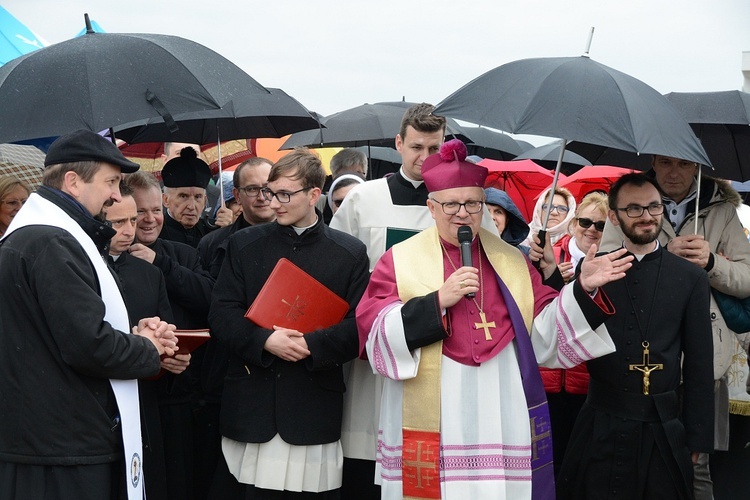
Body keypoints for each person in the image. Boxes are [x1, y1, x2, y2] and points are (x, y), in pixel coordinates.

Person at [357, 139, 633, 499]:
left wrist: (583, 288)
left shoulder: (512, 261)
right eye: (451, 204)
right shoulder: (400, 258)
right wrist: (438, 300)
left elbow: (546, 329)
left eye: (472, 203)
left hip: (499, 412)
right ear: (431, 206)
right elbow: (374, 329)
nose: (462, 213)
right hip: (433, 414)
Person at [0, 129, 177, 500]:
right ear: (73, 182)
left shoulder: (46, 236)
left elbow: (63, 329)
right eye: (110, 181)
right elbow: (88, 344)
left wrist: (132, 334)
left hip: (53, 440)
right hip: (61, 448)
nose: (116, 194)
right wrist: (146, 347)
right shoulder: (51, 241)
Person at [209, 148, 370, 498]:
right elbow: (221, 313)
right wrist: (264, 341)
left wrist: (309, 346)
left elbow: (360, 326)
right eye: (271, 192)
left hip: (312, 407)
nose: (274, 202)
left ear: (314, 194)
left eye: (285, 194)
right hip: (251, 406)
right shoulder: (243, 245)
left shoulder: (350, 253)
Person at [600, 156, 750, 500]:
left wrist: (710, 263)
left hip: (704, 357)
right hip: (643, 354)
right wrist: (660, 254)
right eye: (666, 163)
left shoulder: (720, 211)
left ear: (697, 167)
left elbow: (747, 280)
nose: (674, 172)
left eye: (684, 164)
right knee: (636, 460)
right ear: (653, 162)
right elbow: (604, 269)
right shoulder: (630, 201)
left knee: (696, 466)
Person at [556, 173, 714, 499]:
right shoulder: (595, 270)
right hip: (601, 422)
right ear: (613, 216)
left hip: (662, 427)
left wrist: (698, 438)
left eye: (654, 207)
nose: (646, 216)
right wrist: (566, 285)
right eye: (634, 209)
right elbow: (566, 335)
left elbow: (700, 364)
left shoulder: (691, 277)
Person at [329, 103, 447, 497]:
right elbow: (335, 271)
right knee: (366, 450)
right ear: (399, 143)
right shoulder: (363, 199)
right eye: (416, 147)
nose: (424, 158)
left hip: (434, 346)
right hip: (371, 345)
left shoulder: (453, 203)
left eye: (434, 148)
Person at [124, 170, 217, 500]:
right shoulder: (109, 258)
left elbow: (208, 297)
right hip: (136, 391)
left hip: (182, 389)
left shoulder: (182, 254)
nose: (149, 220)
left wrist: (159, 262)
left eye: (155, 211)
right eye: (139, 213)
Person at [104, 184, 191, 500]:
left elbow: (167, 330)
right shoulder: (83, 269)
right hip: (99, 405)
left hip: (145, 400)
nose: (129, 230)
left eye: (131, 220)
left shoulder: (148, 273)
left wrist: (171, 357)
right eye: (117, 223)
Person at [537, 190, 609, 476]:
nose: (591, 230)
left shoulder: (612, 262)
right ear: (572, 223)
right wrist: (555, 279)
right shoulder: (548, 256)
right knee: (545, 462)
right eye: (585, 222)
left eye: (601, 225)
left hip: (587, 381)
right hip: (547, 380)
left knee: (580, 465)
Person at [198, 157, 275, 278]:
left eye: (267, 188)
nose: (261, 197)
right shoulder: (212, 244)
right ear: (237, 195)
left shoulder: (297, 238)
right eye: (252, 189)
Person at [160, 146, 232, 247]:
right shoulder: (154, 233)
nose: (192, 206)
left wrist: (227, 232)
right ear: (166, 200)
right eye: (183, 196)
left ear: (205, 200)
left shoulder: (214, 229)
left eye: (198, 197)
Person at [484, 186, 530, 250]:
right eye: (486, 211)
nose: (491, 217)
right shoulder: (467, 249)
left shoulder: (524, 255)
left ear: (507, 220)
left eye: (498, 212)